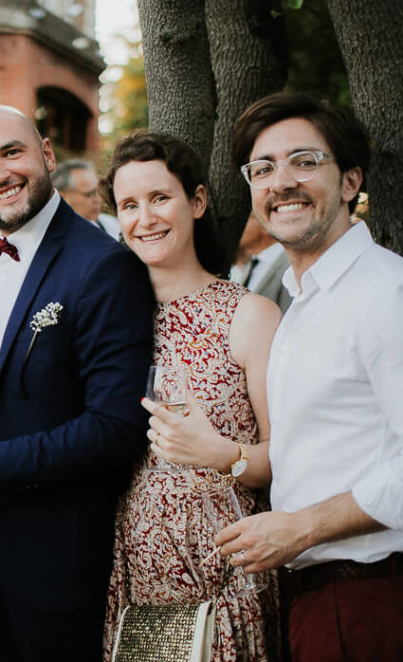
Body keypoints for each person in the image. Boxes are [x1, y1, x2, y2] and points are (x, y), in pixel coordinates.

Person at [0, 105, 155, 661]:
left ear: (46, 154)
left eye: (10, 153)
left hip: (54, 555)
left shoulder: (103, 266)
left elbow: (116, 428)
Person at [218, 92, 403, 661]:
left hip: (373, 599)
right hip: (319, 602)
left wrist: (302, 527)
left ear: (350, 182)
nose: (282, 182)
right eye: (263, 168)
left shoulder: (385, 293)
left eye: (305, 161)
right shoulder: (303, 302)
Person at [100, 131, 282, 661]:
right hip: (133, 578)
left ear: (197, 201)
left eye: (160, 198)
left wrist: (222, 455)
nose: (145, 218)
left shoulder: (249, 315)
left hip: (226, 578)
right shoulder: (108, 321)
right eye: (129, 205)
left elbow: (285, 458)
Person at [230, 215, 291, 312]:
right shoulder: (251, 266)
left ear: (265, 226)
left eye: (244, 219)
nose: (236, 227)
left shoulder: (289, 264)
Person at [51, 158, 121, 240]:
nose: (99, 200)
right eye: (89, 194)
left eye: (98, 191)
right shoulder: (49, 238)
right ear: (62, 197)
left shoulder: (113, 225)